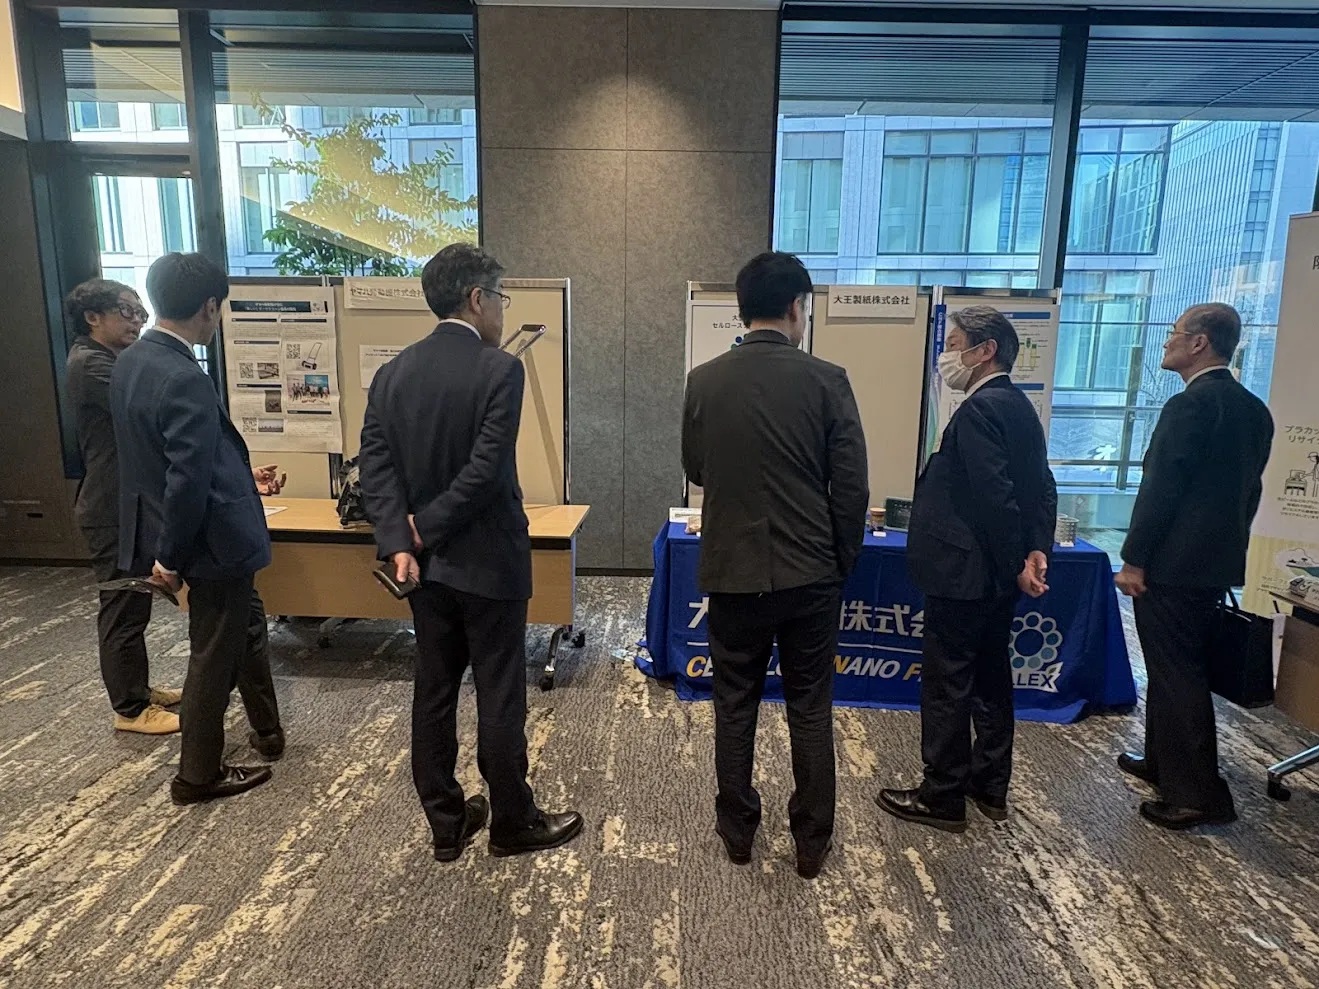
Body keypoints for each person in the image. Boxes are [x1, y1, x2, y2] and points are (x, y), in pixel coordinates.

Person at [358, 243, 583, 862]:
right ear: (477, 299)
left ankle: (446, 821)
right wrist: (422, 530)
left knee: (433, 692)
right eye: (501, 298)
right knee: (499, 693)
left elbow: (374, 467)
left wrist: (399, 539)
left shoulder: (392, 373)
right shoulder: (499, 369)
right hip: (488, 563)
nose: (503, 311)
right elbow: (485, 472)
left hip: (422, 572)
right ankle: (512, 821)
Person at [681, 252, 868, 880]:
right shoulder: (829, 379)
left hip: (731, 570)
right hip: (811, 571)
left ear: (743, 308)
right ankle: (811, 842)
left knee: (734, 702)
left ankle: (737, 833)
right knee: (810, 706)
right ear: (796, 307)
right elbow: (852, 487)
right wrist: (840, 562)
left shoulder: (704, 380)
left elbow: (696, 469)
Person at [110, 252, 286, 806]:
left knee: (245, 626)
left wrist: (239, 474)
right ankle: (197, 774)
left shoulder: (131, 361)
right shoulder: (185, 375)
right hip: (210, 541)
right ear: (210, 306)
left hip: (169, 524)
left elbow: (162, 457)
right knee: (213, 653)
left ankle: (267, 731)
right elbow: (185, 479)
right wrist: (170, 558)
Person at [878, 306, 1056, 834]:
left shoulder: (980, 410)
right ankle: (989, 785)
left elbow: (994, 497)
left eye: (954, 344)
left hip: (966, 572)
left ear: (986, 351)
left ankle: (942, 794)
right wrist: (1035, 550)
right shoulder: (1018, 406)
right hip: (995, 575)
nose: (946, 355)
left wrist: (1016, 561)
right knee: (991, 678)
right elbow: (1041, 487)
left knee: (948, 684)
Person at [1115, 303, 1273, 831]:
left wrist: (1134, 559)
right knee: (1174, 669)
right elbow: (1250, 494)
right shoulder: (1253, 409)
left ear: (1200, 342)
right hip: (1213, 565)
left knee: (1178, 675)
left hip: (1171, 568)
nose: (1167, 342)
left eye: (1174, 333)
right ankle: (1162, 762)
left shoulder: (1189, 406)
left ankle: (1197, 795)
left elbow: (1161, 490)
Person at [64, 279, 183, 735]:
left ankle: (137, 689)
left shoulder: (112, 360)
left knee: (134, 605)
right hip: (109, 507)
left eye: (141, 313)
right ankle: (130, 709)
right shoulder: (91, 364)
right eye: (126, 311)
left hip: (126, 503)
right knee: (121, 607)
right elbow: (153, 402)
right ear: (93, 317)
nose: (137, 321)